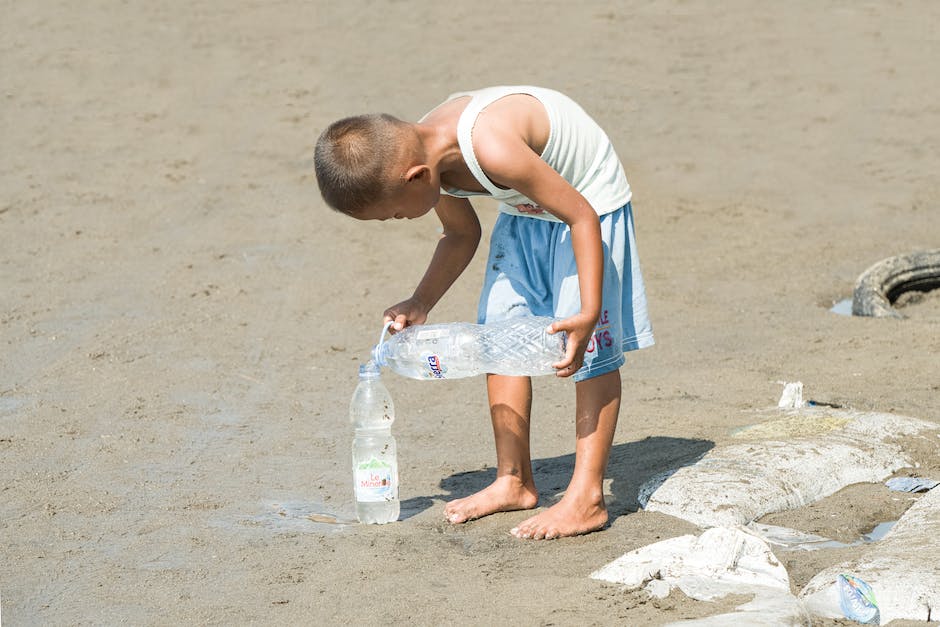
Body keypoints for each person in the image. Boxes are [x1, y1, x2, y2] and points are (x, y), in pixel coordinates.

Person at [315, 86, 654, 539]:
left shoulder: (490, 148)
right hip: (527, 208)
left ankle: (587, 497)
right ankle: (513, 480)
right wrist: (420, 301)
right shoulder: (423, 155)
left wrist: (590, 310)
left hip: (586, 203)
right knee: (497, 338)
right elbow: (460, 233)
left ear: (416, 178)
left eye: (393, 216)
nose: (397, 222)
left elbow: (581, 216)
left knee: (586, 350)